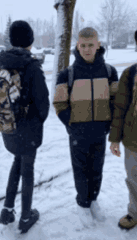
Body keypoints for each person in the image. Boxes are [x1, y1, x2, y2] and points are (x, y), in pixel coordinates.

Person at [53, 27, 118, 227]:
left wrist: (109, 124)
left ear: (98, 45)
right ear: (77, 46)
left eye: (91, 45)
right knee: (80, 170)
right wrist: (71, 123)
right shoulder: (67, 74)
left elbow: (116, 101)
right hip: (78, 133)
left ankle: (93, 200)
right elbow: (59, 103)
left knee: (97, 169)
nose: (87, 49)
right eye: (83, 45)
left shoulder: (109, 71)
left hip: (100, 132)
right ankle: (83, 204)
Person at [0, 20, 50, 233]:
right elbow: (43, 104)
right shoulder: (32, 66)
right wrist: (35, 122)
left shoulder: (0, 63)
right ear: (30, 40)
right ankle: (26, 217)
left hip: (7, 127)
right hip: (28, 130)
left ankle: (7, 210)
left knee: (17, 162)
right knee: (27, 170)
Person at [109, 30, 137, 230]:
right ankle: (134, 213)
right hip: (132, 140)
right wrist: (115, 139)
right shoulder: (130, 73)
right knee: (133, 180)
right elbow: (120, 108)